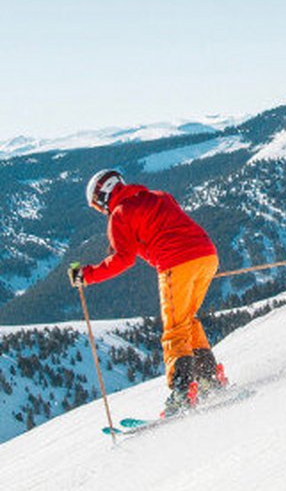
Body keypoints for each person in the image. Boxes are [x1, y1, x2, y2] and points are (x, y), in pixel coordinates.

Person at [68, 170, 227, 413]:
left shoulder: (119, 215)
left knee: (174, 329)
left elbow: (122, 259)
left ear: (102, 198)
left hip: (176, 264)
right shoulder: (160, 196)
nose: (102, 211)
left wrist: (86, 275)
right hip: (207, 255)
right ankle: (207, 379)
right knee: (186, 320)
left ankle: (183, 392)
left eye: (98, 206)